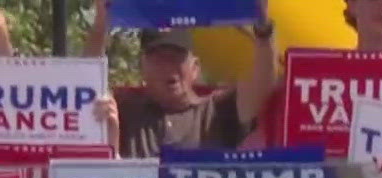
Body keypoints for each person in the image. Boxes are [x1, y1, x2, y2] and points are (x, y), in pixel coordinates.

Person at [89, 6, 276, 157]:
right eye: (159, 59)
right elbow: (88, 83)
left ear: (195, 68)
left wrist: (262, 29)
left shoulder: (216, 111)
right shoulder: (125, 108)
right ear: (142, 67)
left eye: (176, 57)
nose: (168, 67)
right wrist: (101, 23)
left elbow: (262, 82)